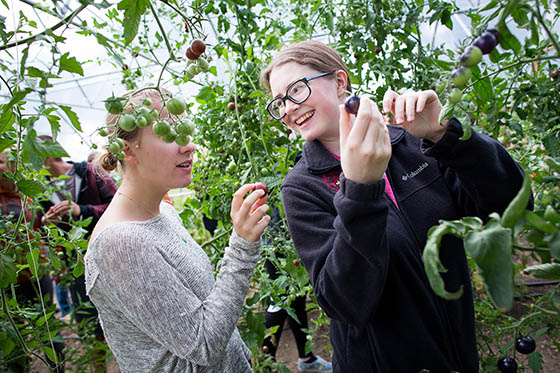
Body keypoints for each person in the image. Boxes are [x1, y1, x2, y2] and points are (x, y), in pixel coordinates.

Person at [260, 40, 528, 372]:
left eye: (296, 90)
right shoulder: (302, 188)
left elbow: (513, 206)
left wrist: (445, 136)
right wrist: (360, 189)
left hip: (457, 348)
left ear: (340, 82)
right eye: (279, 102)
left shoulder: (412, 142)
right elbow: (346, 303)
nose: (287, 109)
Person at [83, 88, 271, 372]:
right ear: (128, 150)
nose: (190, 146)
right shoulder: (121, 243)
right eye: (170, 134)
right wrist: (242, 246)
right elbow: (204, 344)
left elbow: (203, 306)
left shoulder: (164, 212)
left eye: (186, 132)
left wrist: (239, 355)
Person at [38, 135, 117, 371]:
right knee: (88, 322)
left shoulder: (90, 172)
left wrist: (79, 210)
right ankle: (99, 367)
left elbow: (119, 206)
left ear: (48, 157)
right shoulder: (42, 190)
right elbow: (46, 231)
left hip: (108, 254)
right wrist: (46, 222)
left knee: (118, 312)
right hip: (76, 264)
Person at [0, 151, 66, 372]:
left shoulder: (29, 195)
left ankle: (58, 368)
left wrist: (47, 221)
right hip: (6, 281)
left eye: (6, 162)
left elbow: (40, 228)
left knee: (48, 326)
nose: (3, 166)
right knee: (14, 334)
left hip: (36, 273)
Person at [261, 203, 332, 372]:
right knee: (280, 301)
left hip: (289, 239)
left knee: (296, 298)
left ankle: (306, 357)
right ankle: (266, 365)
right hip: (277, 242)